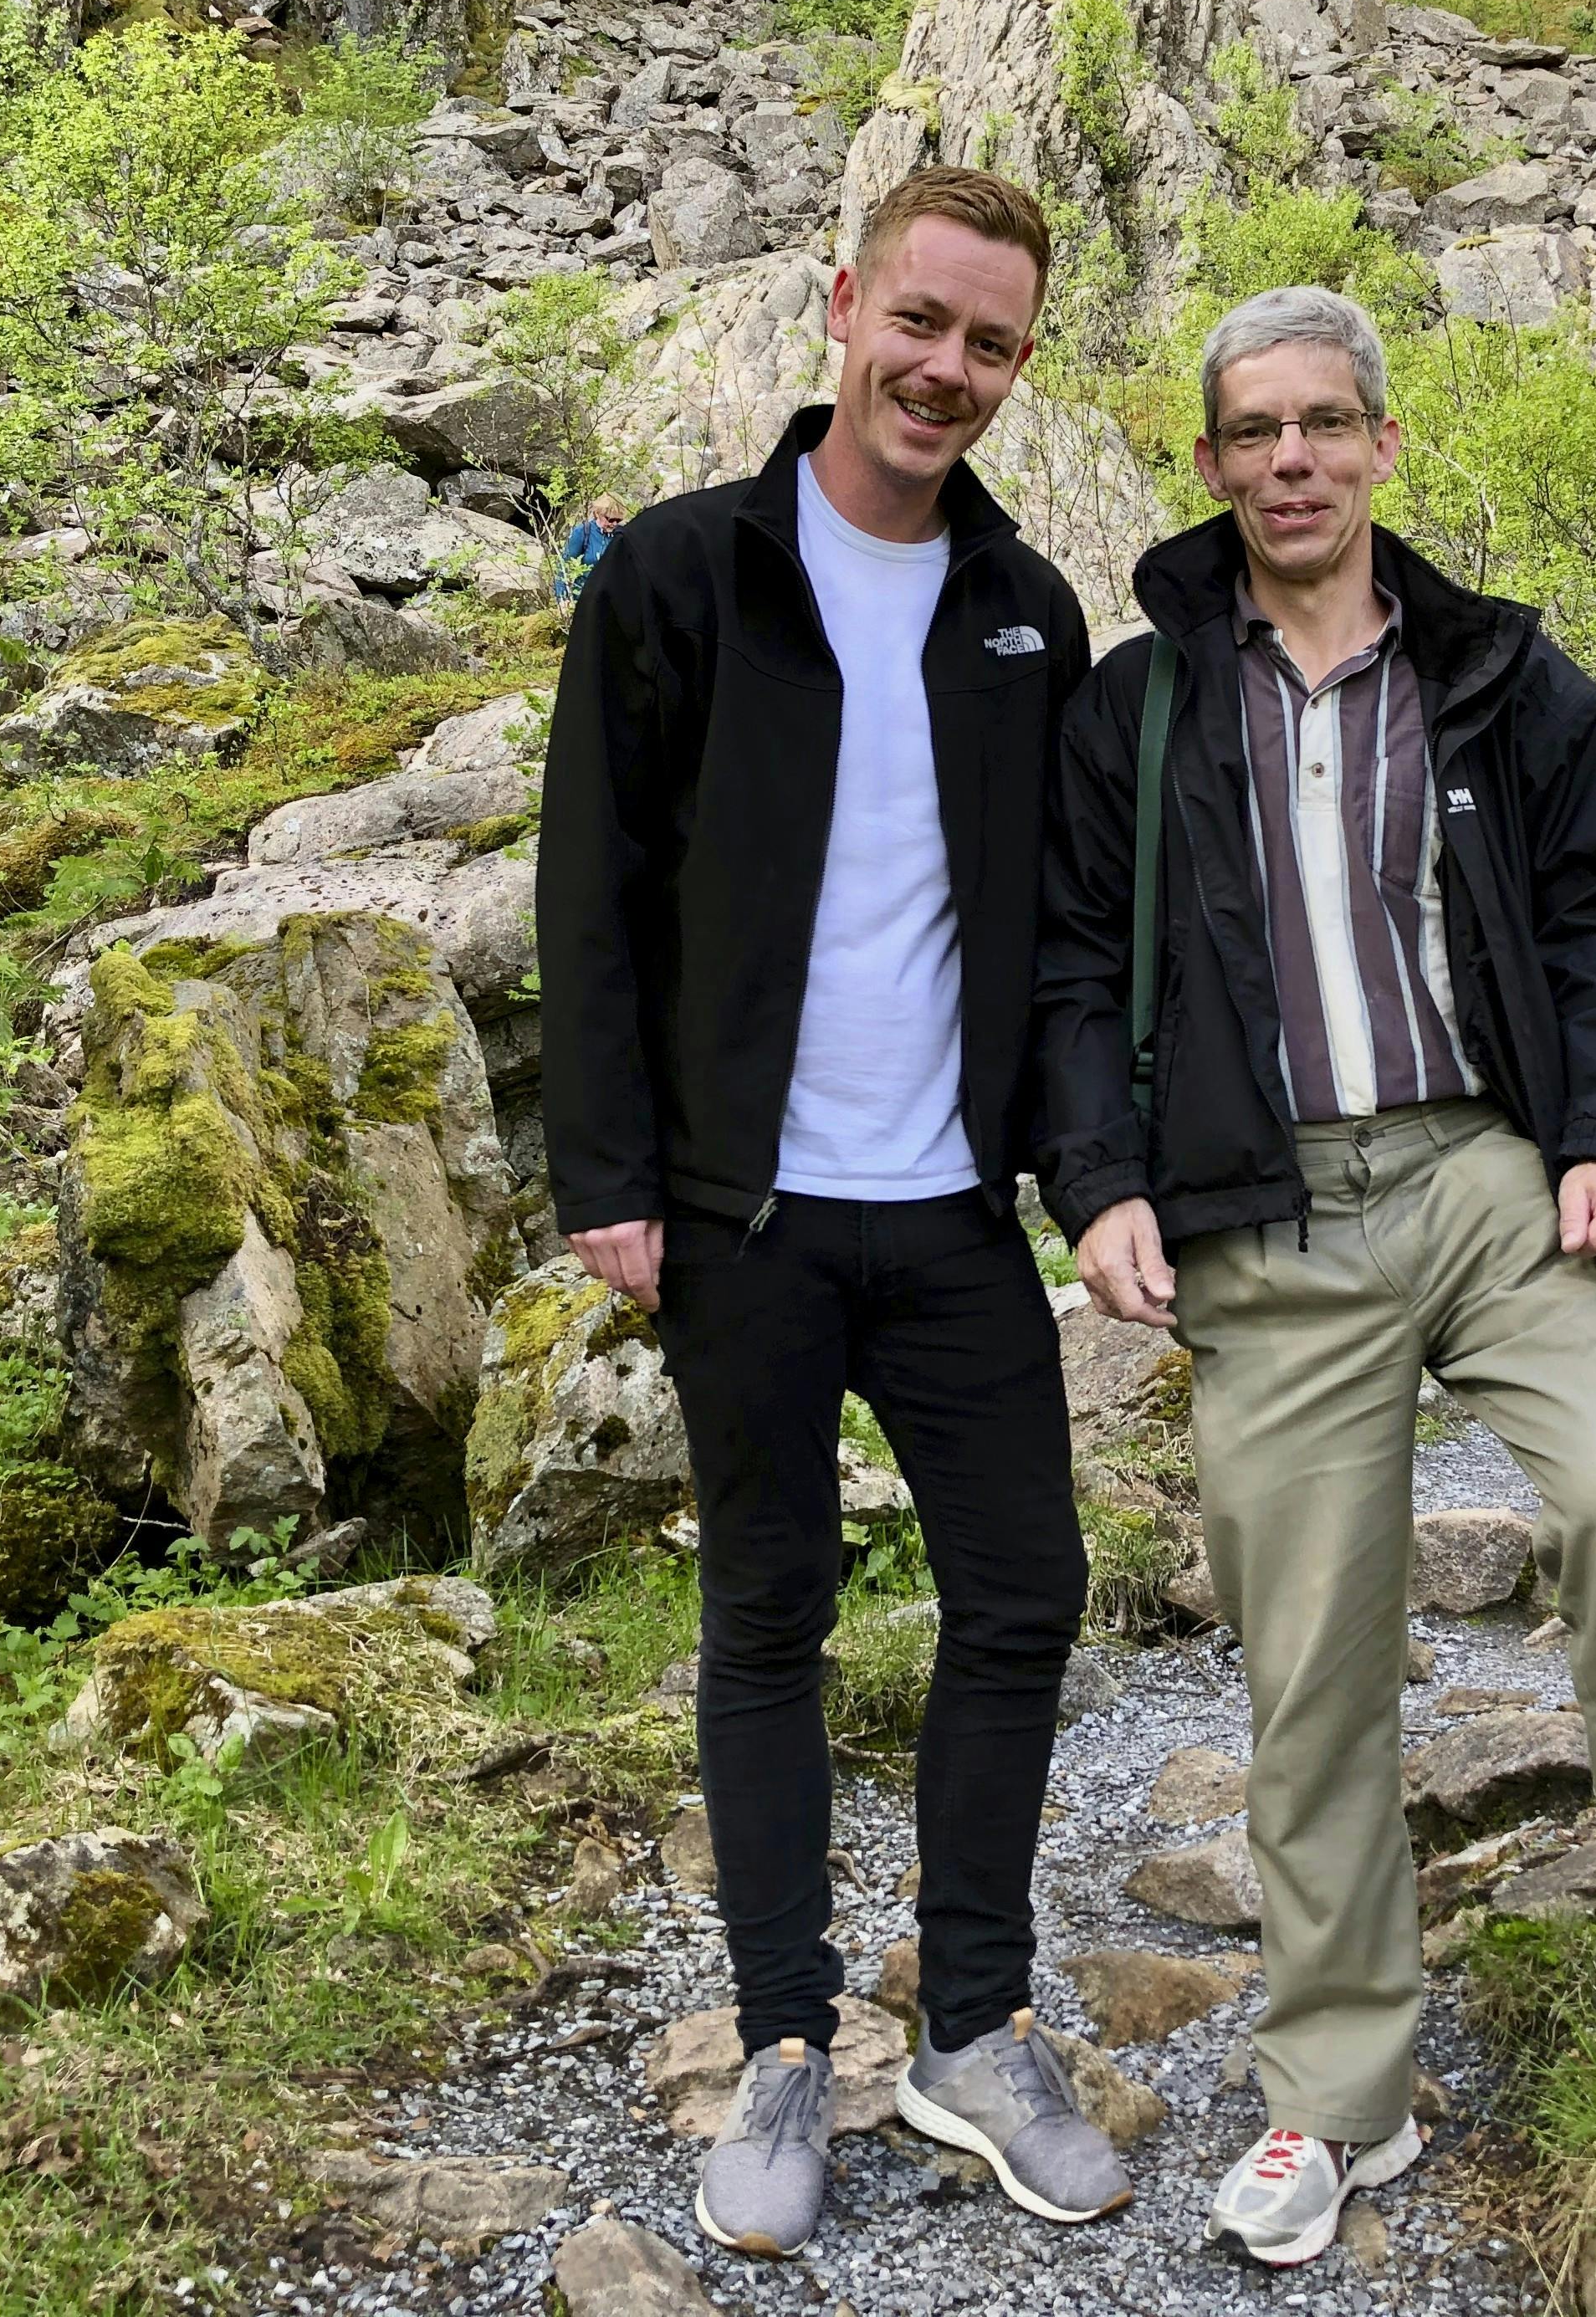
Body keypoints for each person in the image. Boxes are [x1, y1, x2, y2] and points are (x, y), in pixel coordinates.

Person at [1033, 286, 1596, 2271]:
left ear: (1383, 444)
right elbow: (1072, 965)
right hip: (1267, 1220)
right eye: (1251, 432)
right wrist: (1094, 1182)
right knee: (1312, 1643)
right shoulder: (1139, 701)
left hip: (1491, 1176)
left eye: (1323, 425)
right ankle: (1337, 2091)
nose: (1290, 462)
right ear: (1210, 462)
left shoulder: (1507, 675)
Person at [533, 166, 1133, 2262]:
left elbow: (1063, 940)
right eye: (923, 322)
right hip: (746, 1223)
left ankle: (972, 2024)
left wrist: (1096, 1181)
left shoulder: (1025, 613)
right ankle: (786, 2040)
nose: (946, 370)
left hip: (957, 1218)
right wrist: (607, 1176)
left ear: (1020, 365)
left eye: (989, 343)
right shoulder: (687, 577)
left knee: (1025, 1594)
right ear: (843, 305)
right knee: (767, 1618)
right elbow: (588, 896)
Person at [555, 494, 627, 600]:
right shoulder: (583, 532)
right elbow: (565, 567)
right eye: (610, 520)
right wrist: (562, 598)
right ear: (598, 514)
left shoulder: (622, 535)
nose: (614, 524)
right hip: (583, 596)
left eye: (618, 520)